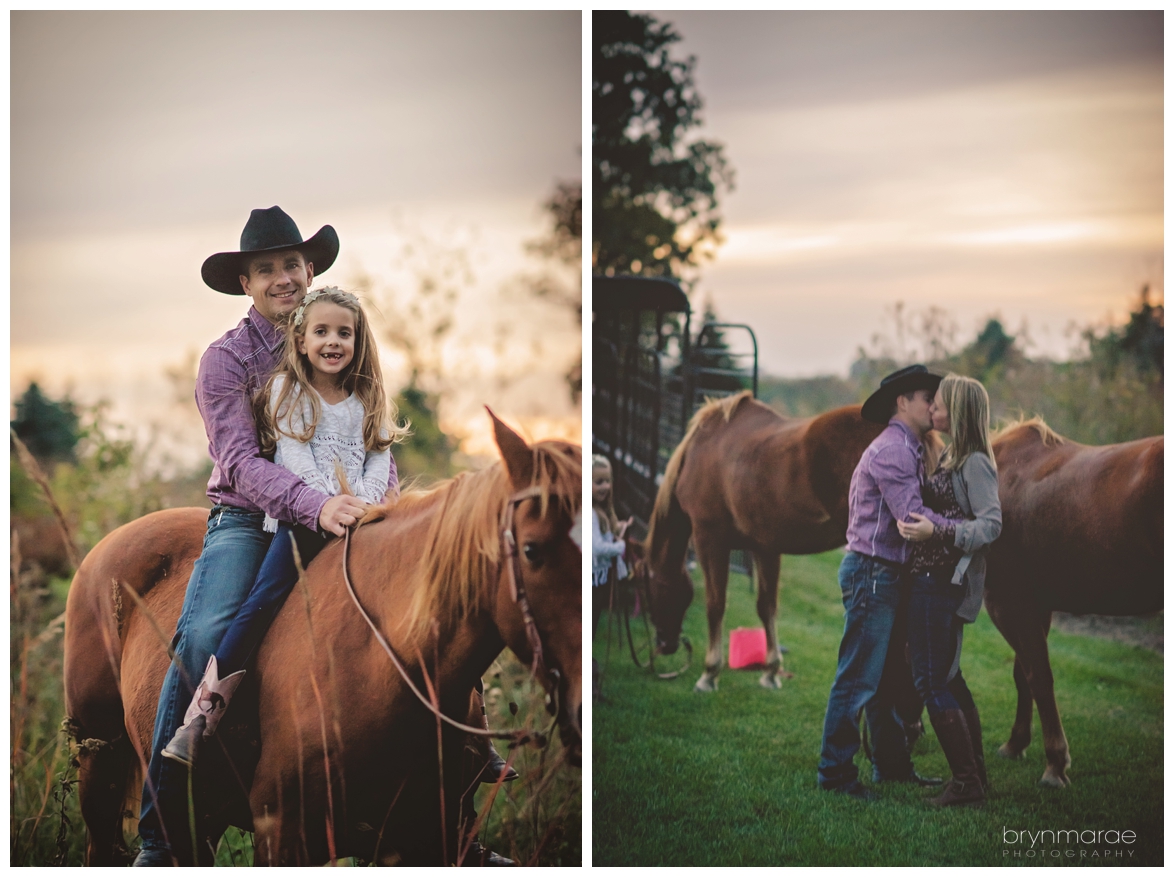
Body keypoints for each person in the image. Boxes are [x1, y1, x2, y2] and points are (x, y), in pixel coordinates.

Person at [134, 206, 382, 867]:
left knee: (415, 600)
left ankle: (453, 781)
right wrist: (317, 505)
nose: (282, 277)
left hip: (341, 507)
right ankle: (161, 828)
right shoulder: (226, 360)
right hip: (248, 519)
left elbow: (366, 427)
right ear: (246, 282)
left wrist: (370, 499)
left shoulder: (336, 338)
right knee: (208, 630)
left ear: (310, 269)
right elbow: (241, 461)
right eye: (266, 268)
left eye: (292, 264)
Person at [161, 287, 406, 767]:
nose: (333, 341)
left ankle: (469, 732)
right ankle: (202, 716)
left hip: (361, 519)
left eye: (344, 333)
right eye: (322, 332)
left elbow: (381, 458)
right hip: (299, 520)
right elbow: (289, 459)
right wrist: (326, 506)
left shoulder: (364, 398)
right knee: (254, 605)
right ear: (301, 341)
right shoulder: (281, 389)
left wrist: (367, 506)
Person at [817, 364, 954, 800]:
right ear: (902, 402)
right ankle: (836, 774)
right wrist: (969, 527)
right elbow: (911, 517)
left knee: (881, 679)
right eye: (925, 397)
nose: (933, 405)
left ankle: (891, 766)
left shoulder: (907, 448)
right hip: (873, 574)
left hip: (884, 573)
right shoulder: (894, 451)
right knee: (858, 677)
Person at [897, 374, 1001, 807]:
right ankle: (975, 775)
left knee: (930, 680)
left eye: (938, 405)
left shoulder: (974, 461)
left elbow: (991, 524)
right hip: (930, 579)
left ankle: (966, 784)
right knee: (949, 678)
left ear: (955, 411)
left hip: (941, 583)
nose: (932, 410)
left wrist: (935, 530)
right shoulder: (952, 455)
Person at [591, 455, 630, 638]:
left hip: (600, 577)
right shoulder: (590, 513)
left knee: (594, 619)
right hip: (592, 579)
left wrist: (618, 529)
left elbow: (603, 537)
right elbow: (596, 547)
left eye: (607, 481)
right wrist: (619, 547)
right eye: (599, 482)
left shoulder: (601, 511)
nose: (605, 486)